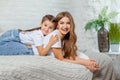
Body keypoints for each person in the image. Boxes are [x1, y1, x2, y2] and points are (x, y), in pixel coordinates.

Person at [43, 11, 115, 80]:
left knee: (95, 62)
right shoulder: (55, 36)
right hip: (53, 59)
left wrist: (87, 62)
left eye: (68, 23)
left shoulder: (65, 38)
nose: (65, 26)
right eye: (62, 23)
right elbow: (61, 59)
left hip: (62, 57)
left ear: (71, 25)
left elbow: (69, 56)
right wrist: (85, 62)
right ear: (57, 25)